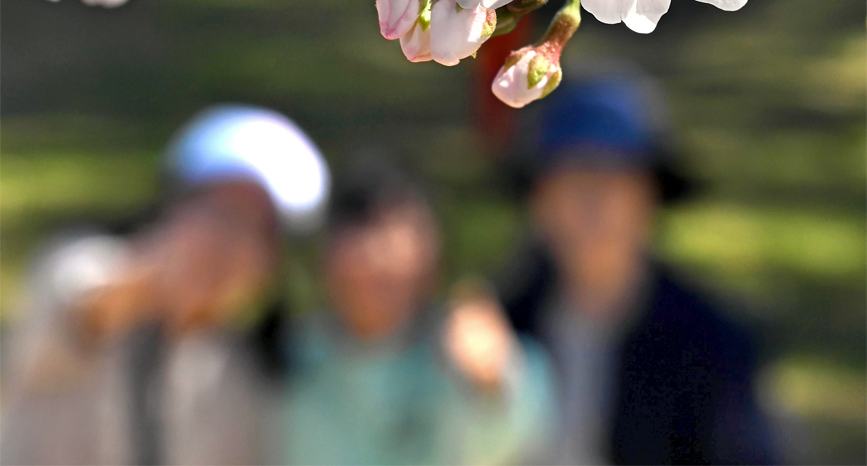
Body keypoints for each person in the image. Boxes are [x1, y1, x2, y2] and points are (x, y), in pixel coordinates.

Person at [1, 105, 330, 466]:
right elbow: (87, 304)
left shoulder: (235, 378)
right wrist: (160, 277)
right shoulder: (78, 265)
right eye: (219, 212)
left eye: (257, 230)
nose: (228, 241)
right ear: (173, 206)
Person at [501, 72, 779, 466]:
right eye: (574, 180)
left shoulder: (711, 345)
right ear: (539, 201)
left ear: (649, 199)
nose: (593, 204)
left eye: (614, 180)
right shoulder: (503, 327)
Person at [282, 156, 555, 466]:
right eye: (360, 233)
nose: (376, 256)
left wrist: (492, 384)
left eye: (396, 235)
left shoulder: (468, 350)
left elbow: (513, 445)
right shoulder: (287, 359)